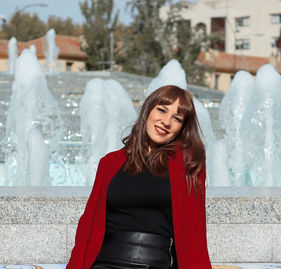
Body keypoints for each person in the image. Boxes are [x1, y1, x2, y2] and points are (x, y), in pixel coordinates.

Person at [67, 85, 212, 269]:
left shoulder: (188, 164)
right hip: (104, 262)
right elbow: (88, 225)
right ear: (148, 110)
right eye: (161, 110)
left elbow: (194, 231)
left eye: (176, 119)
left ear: (182, 128)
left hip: (154, 263)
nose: (166, 122)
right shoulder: (110, 163)